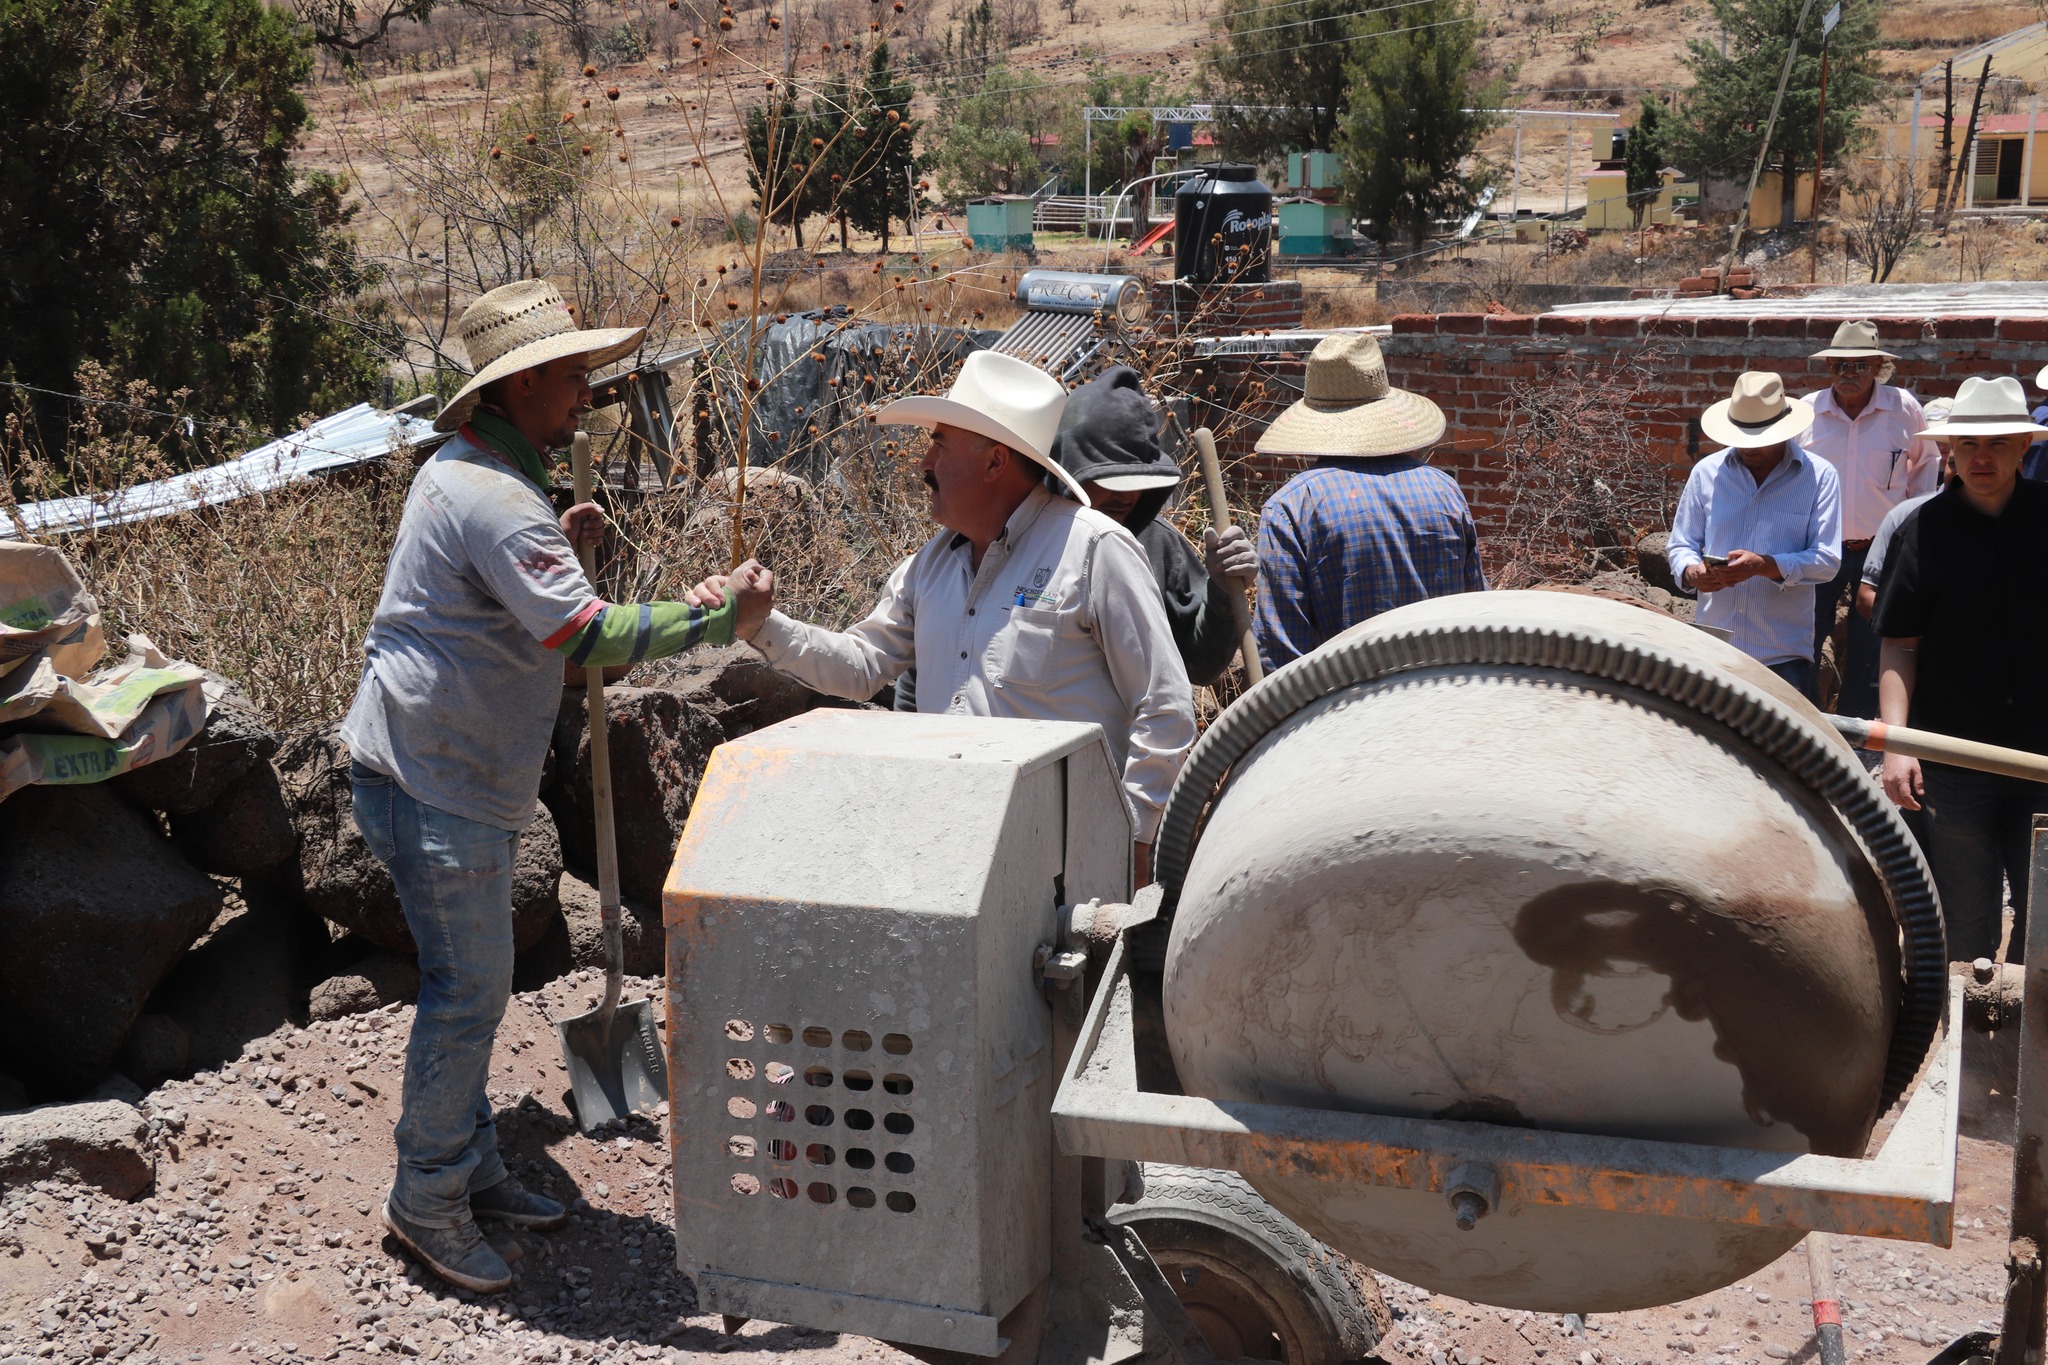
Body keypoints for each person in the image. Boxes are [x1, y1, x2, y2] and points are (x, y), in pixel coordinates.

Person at [341, 280, 742, 1293]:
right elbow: (579, 634)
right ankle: (427, 1194)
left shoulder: (473, 476)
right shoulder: (489, 496)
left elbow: (527, 607)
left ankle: (466, 1167)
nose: (585, 393)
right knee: (465, 990)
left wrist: (567, 552)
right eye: (570, 376)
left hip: (434, 768)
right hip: (433, 778)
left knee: (465, 985)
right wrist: (710, 618)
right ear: (517, 386)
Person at [700, 350, 1196, 883]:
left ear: (994, 463)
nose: (923, 463)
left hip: (1068, 863)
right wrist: (758, 625)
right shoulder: (930, 567)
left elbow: (1164, 706)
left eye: (939, 442)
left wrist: (1134, 839)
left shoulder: (1097, 551)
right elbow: (862, 665)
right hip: (952, 848)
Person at [1873, 374, 2048, 964]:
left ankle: (2031, 1043)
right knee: (1965, 913)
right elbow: (1899, 645)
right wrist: (1898, 745)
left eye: (1997, 443)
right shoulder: (1922, 530)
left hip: (2043, 757)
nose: (1981, 457)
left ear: (2025, 446)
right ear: (1948, 448)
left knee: (2044, 913)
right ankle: (1970, 1042)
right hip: (1955, 760)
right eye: (1969, 443)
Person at [1250, 334, 1485, 672]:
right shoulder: (1444, 491)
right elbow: (1476, 611)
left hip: (1348, 712)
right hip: (1444, 697)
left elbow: (1282, 655)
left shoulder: (1292, 509)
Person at [1049, 366, 1257, 686]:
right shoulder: (1020, 539)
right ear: (1068, 471)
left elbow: (1200, 665)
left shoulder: (1157, 542)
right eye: (1111, 479)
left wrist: (1221, 590)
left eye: (1139, 480)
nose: (1128, 495)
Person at [1666, 371, 1841, 698]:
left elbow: (1827, 561)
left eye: (1758, 437)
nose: (1748, 446)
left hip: (1782, 656)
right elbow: (1681, 544)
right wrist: (1692, 573)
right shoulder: (1706, 473)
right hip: (1714, 647)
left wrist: (1764, 565)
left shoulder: (1820, 477)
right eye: (1740, 435)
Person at [1800, 321, 1942, 717]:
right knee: (1804, 638)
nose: (1848, 375)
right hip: (1819, 547)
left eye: (1860, 365)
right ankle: (1808, 723)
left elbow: (1925, 466)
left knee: (1871, 643)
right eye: (1838, 366)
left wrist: (1913, 534)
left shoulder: (1903, 408)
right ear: (1827, 367)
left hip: (1881, 551)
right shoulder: (1808, 412)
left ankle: (1856, 732)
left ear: (1879, 365)